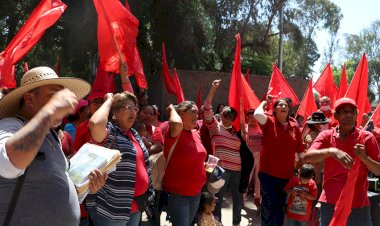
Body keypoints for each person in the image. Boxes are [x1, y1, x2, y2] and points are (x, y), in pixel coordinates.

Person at [0, 66, 106, 226]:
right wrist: (49, 112)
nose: (63, 102)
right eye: (54, 95)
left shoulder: (50, 134)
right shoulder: (10, 125)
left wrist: (86, 187)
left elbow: (55, 185)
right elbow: (7, 163)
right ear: (29, 99)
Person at [304, 97, 380, 226]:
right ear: (336, 116)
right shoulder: (326, 135)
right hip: (330, 201)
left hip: (358, 202)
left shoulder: (367, 137)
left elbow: (378, 170)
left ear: (357, 115)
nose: (349, 115)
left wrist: (364, 158)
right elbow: (307, 157)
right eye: (344, 111)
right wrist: (331, 151)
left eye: (352, 111)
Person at [87, 91, 153, 225]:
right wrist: (109, 100)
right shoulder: (111, 132)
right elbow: (95, 124)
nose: (133, 112)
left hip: (135, 207)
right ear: (115, 113)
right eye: (128, 108)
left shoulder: (133, 133)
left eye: (135, 108)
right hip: (111, 209)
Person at [254, 98, 305, 226]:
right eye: (280, 104)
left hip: (286, 176)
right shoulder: (269, 122)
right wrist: (264, 103)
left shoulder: (295, 127)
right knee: (269, 206)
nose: (283, 106)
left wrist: (299, 171)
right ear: (275, 110)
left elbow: (300, 152)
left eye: (286, 105)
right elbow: (257, 114)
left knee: (280, 207)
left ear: (288, 110)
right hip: (268, 174)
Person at [204, 80, 243, 226]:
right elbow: (207, 109)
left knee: (238, 199)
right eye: (227, 114)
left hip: (237, 171)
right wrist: (213, 88)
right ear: (221, 114)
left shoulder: (237, 133)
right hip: (221, 170)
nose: (229, 117)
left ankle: (236, 223)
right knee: (217, 199)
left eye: (232, 115)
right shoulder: (215, 127)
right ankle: (218, 223)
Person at [163, 102, 207, 226]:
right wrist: (172, 108)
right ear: (181, 113)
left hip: (196, 192)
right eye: (193, 112)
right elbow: (176, 123)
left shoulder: (196, 133)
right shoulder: (175, 131)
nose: (197, 115)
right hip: (178, 194)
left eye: (197, 113)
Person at [244, 109, 262, 208]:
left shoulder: (261, 128)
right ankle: (242, 198)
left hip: (260, 156)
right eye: (249, 117)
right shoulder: (245, 128)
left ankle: (257, 197)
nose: (251, 118)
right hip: (249, 157)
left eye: (253, 116)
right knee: (247, 178)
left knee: (258, 178)